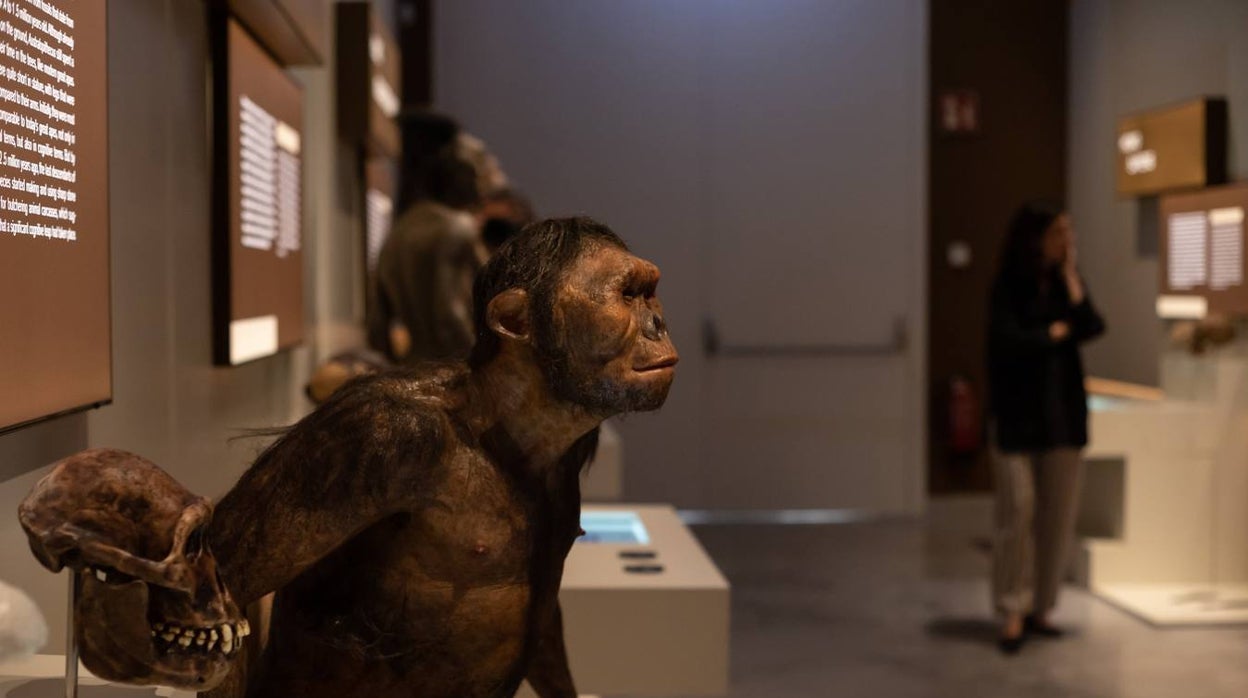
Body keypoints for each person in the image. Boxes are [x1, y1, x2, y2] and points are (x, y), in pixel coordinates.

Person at [986, 201, 1105, 654]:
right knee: (1018, 511)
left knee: (1058, 516)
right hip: (1017, 418)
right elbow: (1006, 340)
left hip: (1062, 419)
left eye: (1069, 234)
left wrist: (1074, 282)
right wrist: (1050, 336)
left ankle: (1042, 605)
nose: (1066, 242)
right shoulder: (1010, 285)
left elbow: (1092, 325)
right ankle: (1012, 607)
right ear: (1036, 237)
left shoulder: (1063, 285)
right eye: (1059, 233)